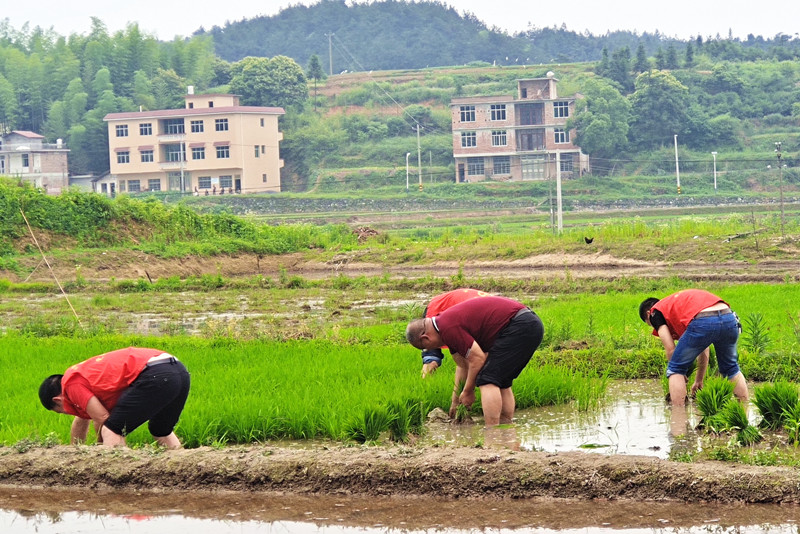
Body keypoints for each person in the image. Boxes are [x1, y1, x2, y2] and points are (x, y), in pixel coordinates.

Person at [406, 295, 544, 426]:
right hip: (527, 324)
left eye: (426, 347)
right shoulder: (444, 326)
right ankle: (505, 429)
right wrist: (455, 402)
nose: (432, 349)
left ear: (426, 338)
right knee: (501, 382)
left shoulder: (447, 327)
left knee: (488, 380)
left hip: (521, 325)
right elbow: (462, 365)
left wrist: (468, 391)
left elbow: (478, 359)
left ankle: (492, 432)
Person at [38, 347, 191, 449]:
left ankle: (119, 480)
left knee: (111, 430)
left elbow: (102, 418)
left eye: (61, 411)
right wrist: (75, 451)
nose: (70, 412)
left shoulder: (71, 383)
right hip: (178, 371)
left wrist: (99, 450)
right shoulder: (85, 376)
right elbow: (83, 418)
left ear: (57, 400)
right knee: (161, 430)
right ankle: (184, 465)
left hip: (155, 374)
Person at [639, 289, 748, 407]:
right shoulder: (679, 307)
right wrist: (698, 380)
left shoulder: (655, 312)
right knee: (730, 368)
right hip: (729, 317)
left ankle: (678, 416)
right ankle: (744, 409)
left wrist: (680, 371)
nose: (654, 326)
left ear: (649, 314)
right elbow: (704, 348)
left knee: (675, 369)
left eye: (650, 324)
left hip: (703, 320)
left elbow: (670, 349)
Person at [419, 288, 492, 378]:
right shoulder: (495, 317)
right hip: (439, 308)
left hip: (457, 307)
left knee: (470, 357)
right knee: (432, 358)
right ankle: (424, 382)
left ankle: (462, 389)